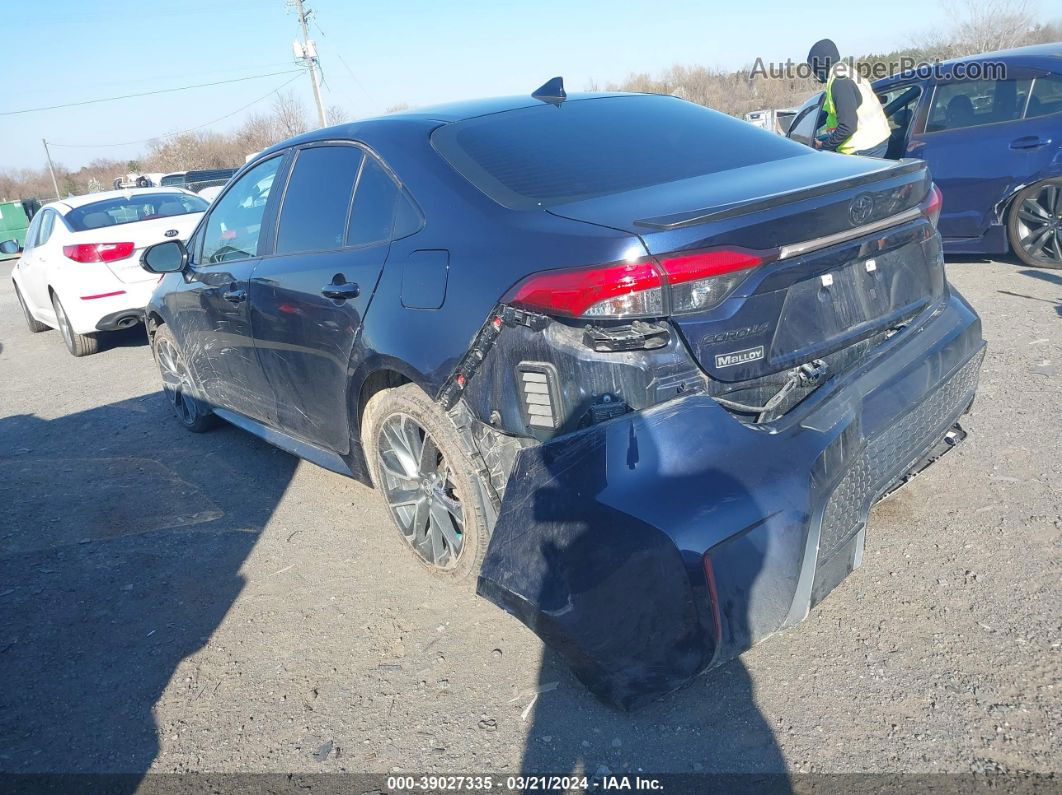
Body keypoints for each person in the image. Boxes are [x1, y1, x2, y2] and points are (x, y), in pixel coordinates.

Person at [807, 39, 890, 157]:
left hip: (864, 147)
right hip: (874, 141)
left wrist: (824, 146)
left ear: (820, 65)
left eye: (814, 69)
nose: (815, 74)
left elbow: (847, 126)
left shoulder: (840, 83)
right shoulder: (846, 72)